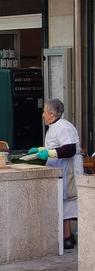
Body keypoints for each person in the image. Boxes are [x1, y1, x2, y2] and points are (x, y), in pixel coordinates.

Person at [28, 98, 83, 250]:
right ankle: (66, 237)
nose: (43, 114)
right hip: (59, 168)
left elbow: (69, 149)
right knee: (61, 201)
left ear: (52, 113)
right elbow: (54, 146)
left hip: (68, 168)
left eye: (44, 111)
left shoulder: (64, 127)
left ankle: (68, 237)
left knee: (67, 202)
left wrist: (49, 153)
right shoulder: (54, 127)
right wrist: (41, 150)